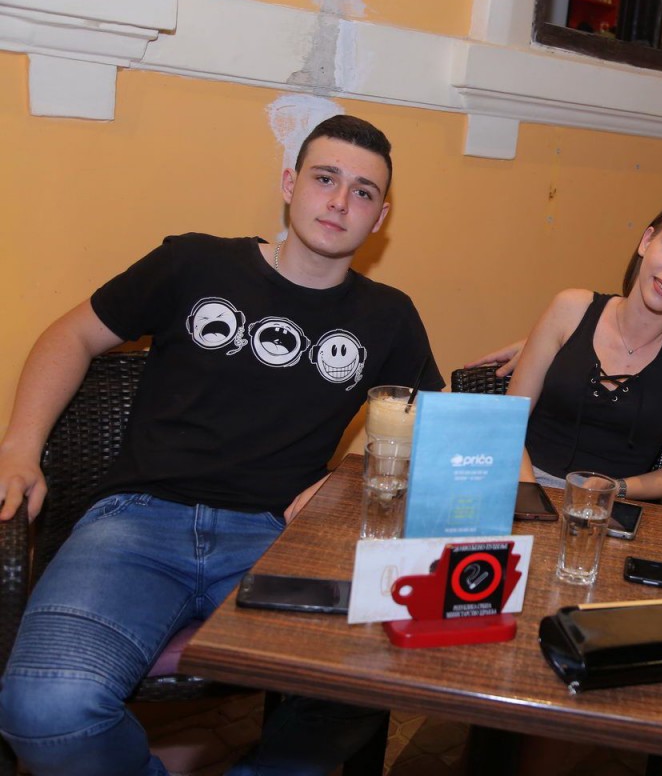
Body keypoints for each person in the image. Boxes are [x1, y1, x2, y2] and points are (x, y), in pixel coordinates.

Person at [0, 115, 444, 775]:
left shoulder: (389, 316)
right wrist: (18, 448)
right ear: (290, 184)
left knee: (371, 671)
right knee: (42, 708)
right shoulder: (195, 263)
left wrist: (344, 481)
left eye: (362, 192)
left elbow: (435, 429)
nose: (339, 202)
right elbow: (72, 335)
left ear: (379, 217)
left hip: (277, 540)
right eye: (325, 179)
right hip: (136, 525)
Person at [477, 191, 662, 503]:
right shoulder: (570, 309)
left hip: (614, 506)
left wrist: (615, 489)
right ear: (646, 241)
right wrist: (531, 497)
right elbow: (509, 423)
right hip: (525, 484)